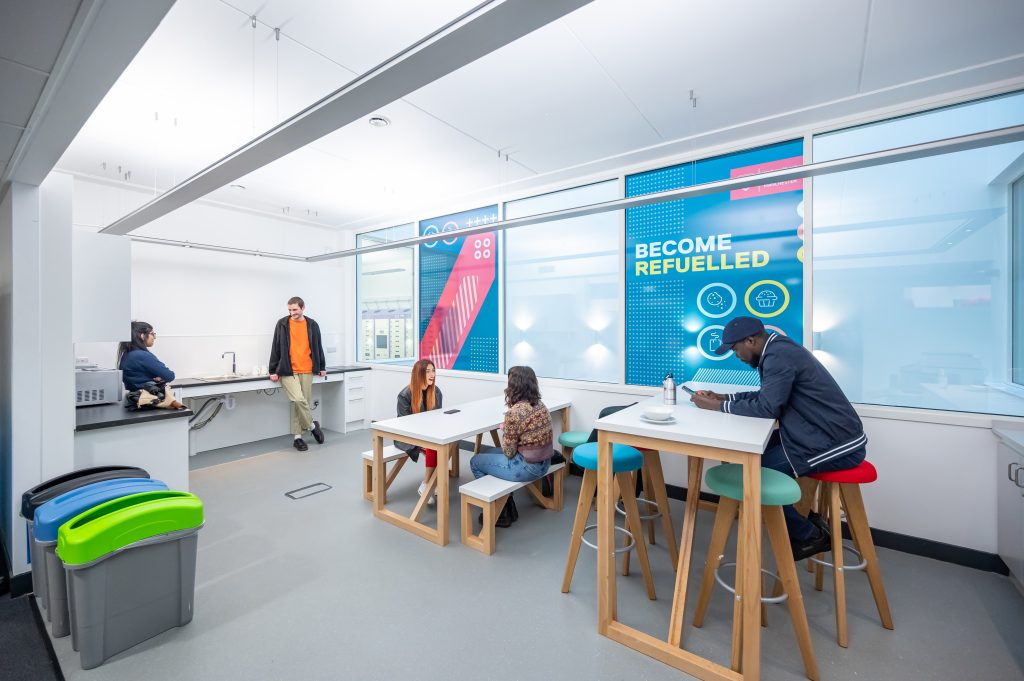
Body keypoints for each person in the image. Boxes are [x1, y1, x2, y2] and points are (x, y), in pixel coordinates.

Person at [690, 316, 867, 560]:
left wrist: (715, 407)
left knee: (754, 474)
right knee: (752, 459)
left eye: (735, 349)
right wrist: (722, 398)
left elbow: (766, 408)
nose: (735, 355)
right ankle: (805, 522)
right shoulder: (776, 349)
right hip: (813, 433)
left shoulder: (777, 356)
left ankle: (810, 535)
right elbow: (767, 396)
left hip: (836, 443)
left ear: (750, 340)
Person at [470, 366, 554, 528]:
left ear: (514, 386)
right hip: (544, 462)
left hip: (526, 467)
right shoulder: (540, 405)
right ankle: (509, 507)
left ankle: (500, 512)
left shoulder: (514, 413)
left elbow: (509, 452)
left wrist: (506, 429)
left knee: (475, 461)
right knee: (488, 452)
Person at [269, 296, 327, 451]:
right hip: (288, 369)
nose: (292, 313)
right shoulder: (282, 324)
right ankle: (312, 426)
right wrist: (273, 370)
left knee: (302, 404)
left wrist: (322, 366)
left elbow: (318, 347)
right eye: (289, 310)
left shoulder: (312, 325)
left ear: (303, 308)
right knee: (298, 400)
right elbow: (275, 347)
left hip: (307, 369)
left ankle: (298, 438)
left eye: (294, 309)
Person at [396, 360, 443, 506]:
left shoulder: (436, 392)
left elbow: (438, 418)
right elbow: (404, 425)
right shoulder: (405, 395)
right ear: (419, 374)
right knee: (434, 447)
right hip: (407, 436)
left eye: (433, 371)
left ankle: (430, 483)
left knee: (443, 445)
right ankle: (427, 484)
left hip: (429, 433)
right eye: (427, 371)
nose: (432, 375)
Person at [117, 321, 184, 409]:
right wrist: (161, 379)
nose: (154, 337)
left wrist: (160, 378)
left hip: (135, 402)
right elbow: (170, 375)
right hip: (149, 403)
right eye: (152, 334)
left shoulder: (126, 355)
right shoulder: (142, 355)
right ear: (142, 335)